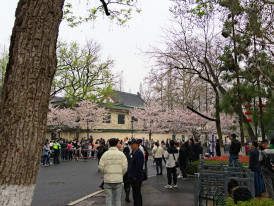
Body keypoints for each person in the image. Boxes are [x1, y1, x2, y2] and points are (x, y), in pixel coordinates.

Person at [99, 138, 128, 206]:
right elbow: (125, 167)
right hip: (118, 179)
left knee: (108, 199)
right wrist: (120, 174)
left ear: (109, 144)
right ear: (117, 144)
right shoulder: (121, 154)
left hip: (108, 179)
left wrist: (106, 173)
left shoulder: (105, 154)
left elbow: (100, 167)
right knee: (117, 199)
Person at [128, 139, 144, 206]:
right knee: (135, 193)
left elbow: (139, 167)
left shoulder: (139, 153)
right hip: (133, 176)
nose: (130, 146)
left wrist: (135, 176)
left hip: (136, 178)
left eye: (132, 144)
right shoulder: (134, 152)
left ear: (136, 144)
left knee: (137, 193)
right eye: (130, 144)